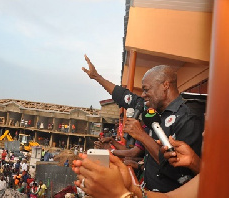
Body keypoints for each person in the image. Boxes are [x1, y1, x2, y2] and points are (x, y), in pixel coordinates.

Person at [82, 55, 203, 192]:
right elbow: (124, 97)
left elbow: (182, 174)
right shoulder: (152, 110)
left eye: (146, 89)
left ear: (165, 85)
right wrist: (97, 77)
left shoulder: (188, 119)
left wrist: (142, 135)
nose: (143, 95)